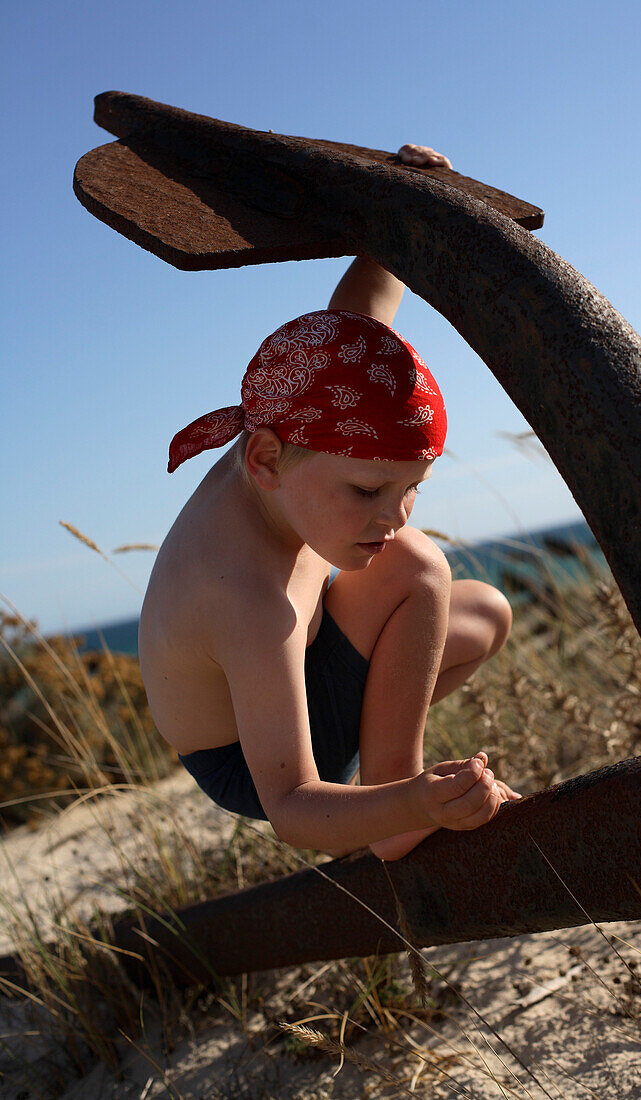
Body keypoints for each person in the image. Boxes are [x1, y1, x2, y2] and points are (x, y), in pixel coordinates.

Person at [139, 144, 519, 862]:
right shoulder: (246, 596)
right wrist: (411, 799)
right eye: (369, 490)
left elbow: (354, 319)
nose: (393, 513)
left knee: (484, 614)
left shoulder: (287, 428)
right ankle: (392, 812)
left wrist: (400, 218)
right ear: (266, 461)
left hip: (303, 680)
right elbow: (289, 809)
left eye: (410, 489)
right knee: (418, 565)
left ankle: (378, 787)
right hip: (255, 768)